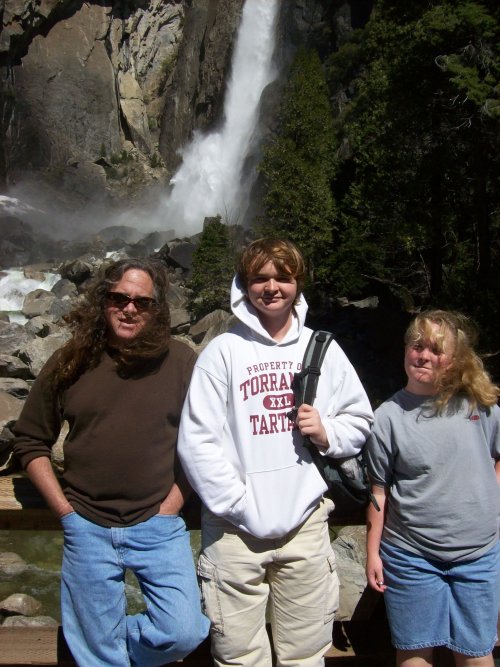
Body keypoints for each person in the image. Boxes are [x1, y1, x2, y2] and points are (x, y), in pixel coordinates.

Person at [177, 237, 373, 667]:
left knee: (305, 656)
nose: (271, 287)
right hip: (232, 532)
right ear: (244, 285)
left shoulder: (322, 349)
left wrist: (326, 432)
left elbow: (360, 421)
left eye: (282, 277)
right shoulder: (222, 351)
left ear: (297, 284)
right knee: (237, 655)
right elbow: (197, 440)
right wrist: (237, 503)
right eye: (260, 278)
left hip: (304, 524)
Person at [12, 258, 209, 667]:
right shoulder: (71, 360)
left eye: (142, 301)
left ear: (158, 309)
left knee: (182, 633)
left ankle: (111, 643)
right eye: (119, 297)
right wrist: (66, 513)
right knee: (96, 655)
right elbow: (31, 441)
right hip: (87, 526)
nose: (130, 308)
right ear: (104, 300)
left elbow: (205, 442)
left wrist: (171, 505)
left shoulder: (181, 361)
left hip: (158, 525)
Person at [365, 309, 500, 667]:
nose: (423, 355)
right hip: (411, 556)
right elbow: (378, 491)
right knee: (414, 649)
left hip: (479, 555)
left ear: (454, 359)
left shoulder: (479, 405)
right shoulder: (388, 416)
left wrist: (490, 500)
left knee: (476, 652)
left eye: (435, 349)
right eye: (416, 345)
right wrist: (373, 554)